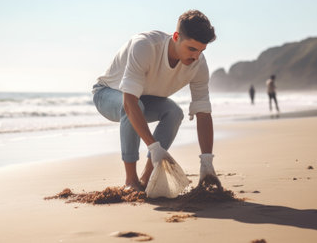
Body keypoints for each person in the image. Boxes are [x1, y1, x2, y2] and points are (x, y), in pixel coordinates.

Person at [92, 10, 221, 192]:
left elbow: (203, 111)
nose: (196, 57)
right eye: (191, 49)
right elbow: (129, 103)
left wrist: (207, 161)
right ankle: (131, 180)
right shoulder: (145, 46)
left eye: (201, 50)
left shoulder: (198, 64)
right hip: (107, 93)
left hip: (143, 98)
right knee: (136, 106)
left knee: (174, 112)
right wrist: (154, 147)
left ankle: (147, 177)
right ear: (176, 37)